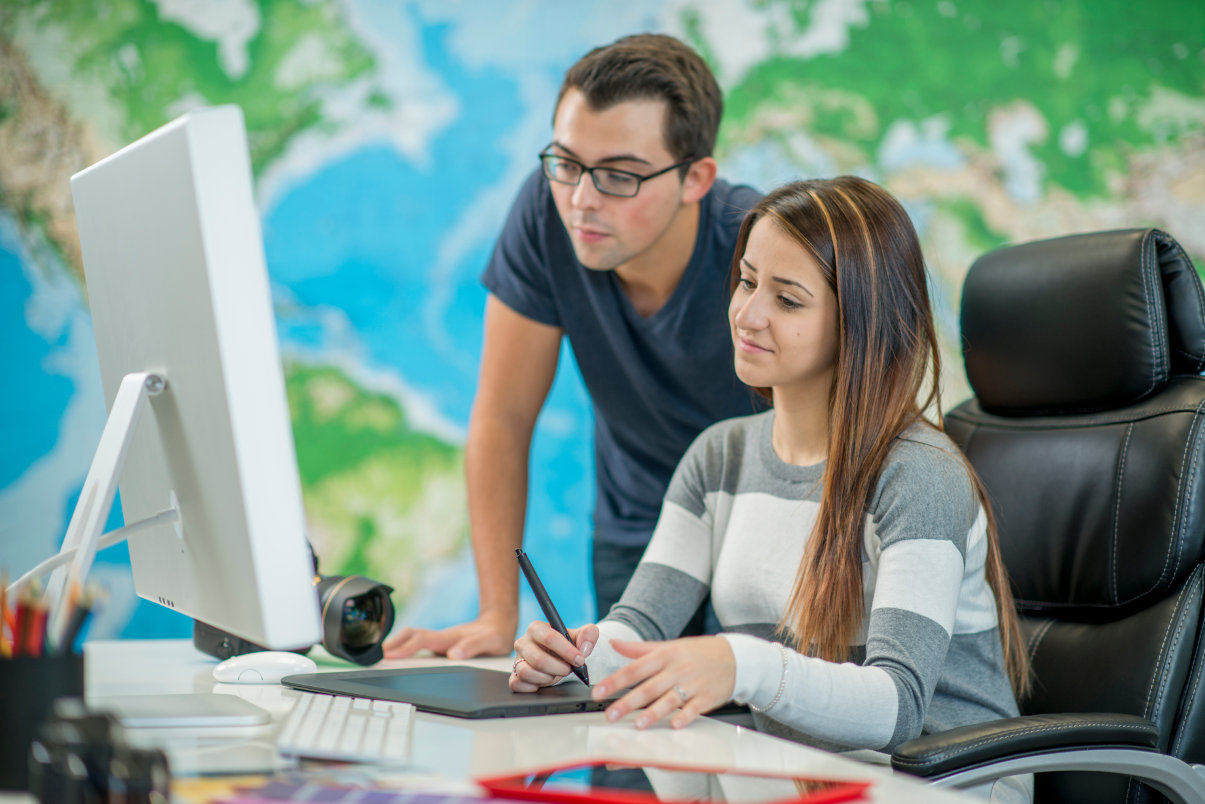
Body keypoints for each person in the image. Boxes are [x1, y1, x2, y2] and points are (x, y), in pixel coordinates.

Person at [509, 177, 1031, 798]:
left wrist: (740, 665)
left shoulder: (918, 473)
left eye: (787, 300)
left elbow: (897, 705)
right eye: (748, 281)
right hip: (802, 782)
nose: (747, 314)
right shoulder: (720, 457)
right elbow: (641, 623)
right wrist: (580, 655)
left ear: (860, 323)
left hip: (937, 785)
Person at [384, 34, 761, 660]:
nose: (582, 200)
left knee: (757, 739)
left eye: (619, 175)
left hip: (764, 534)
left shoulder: (757, 248)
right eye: (565, 163)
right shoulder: (546, 212)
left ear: (695, 178)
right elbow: (503, 419)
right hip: (639, 531)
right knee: (624, 743)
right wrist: (497, 613)